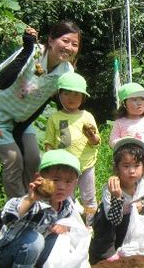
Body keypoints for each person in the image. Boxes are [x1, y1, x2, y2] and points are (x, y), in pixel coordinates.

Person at [0, 21, 81, 198]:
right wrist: (26, 51)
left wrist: (20, 128)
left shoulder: (66, 72)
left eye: (75, 44)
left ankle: (33, 201)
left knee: (34, 158)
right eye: (65, 41)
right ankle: (17, 211)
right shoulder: (32, 53)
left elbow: (42, 102)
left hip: (18, 116)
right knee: (13, 159)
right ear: (50, 41)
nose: (69, 47)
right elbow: (2, 82)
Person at [0, 149, 82, 267]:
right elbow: (8, 217)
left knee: (60, 238)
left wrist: (64, 227)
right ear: (39, 178)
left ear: (75, 183)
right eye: (55, 180)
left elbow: (71, 224)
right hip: (8, 254)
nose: (62, 187)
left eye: (68, 181)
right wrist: (30, 199)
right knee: (35, 240)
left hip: (36, 255)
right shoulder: (35, 202)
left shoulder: (67, 206)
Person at [44, 72, 100, 225]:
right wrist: (50, 163)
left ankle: (91, 224)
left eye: (76, 94)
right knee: (65, 195)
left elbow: (96, 142)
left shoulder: (87, 116)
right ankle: (66, 222)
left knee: (89, 196)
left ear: (83, 97)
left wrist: (91, 136)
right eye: (66, 93)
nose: (71, 98)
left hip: (86, 164)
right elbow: (49, 143)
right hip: (65, 168)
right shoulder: (55, 118)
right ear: (59, 95)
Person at [89, 137, 144, 264]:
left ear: (143, 167)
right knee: (103, 217)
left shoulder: (143, 184)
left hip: (128, 224)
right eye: (126, 166)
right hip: (111, 225)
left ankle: (139, 243)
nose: (132, 171)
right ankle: (106, 251)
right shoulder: (111, 188)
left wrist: (141, 204)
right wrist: (117, 197)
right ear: (117, 168)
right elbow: (113, 219)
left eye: (137, 165)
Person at [109, 82, 144, 187]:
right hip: (128, 163)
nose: (139, 103)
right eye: (134, 100)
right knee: (131, 187)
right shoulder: (120, 122)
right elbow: (112, 141)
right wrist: (125, 141)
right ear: (124, 104)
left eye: (142, 99)